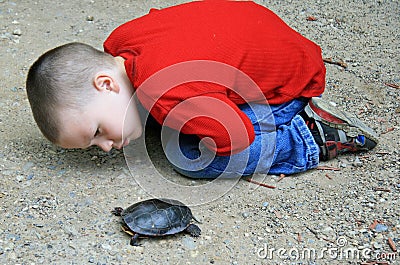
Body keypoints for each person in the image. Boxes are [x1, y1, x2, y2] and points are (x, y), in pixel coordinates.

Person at [25, 1, 378, 179]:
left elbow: (233, 138)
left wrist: (183, 121)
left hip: (287, 83)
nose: (105, 147)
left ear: (105, 83)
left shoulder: (169, 95)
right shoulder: (119, 43)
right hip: (269, 36)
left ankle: (306, 136)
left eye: (98, 132)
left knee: (192, 159)